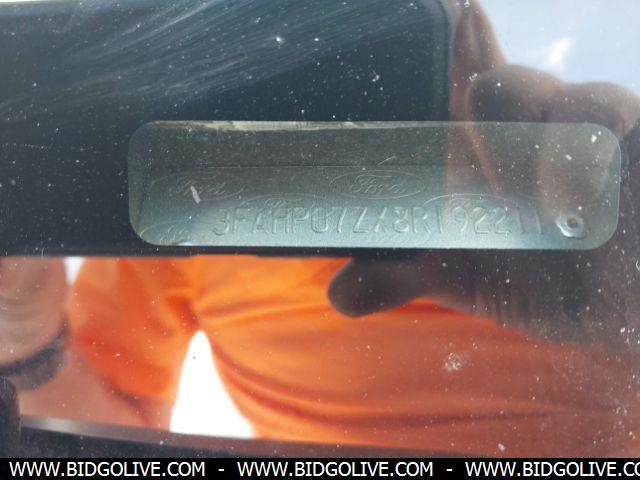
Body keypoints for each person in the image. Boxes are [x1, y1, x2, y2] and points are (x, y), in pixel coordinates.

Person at [1, 1, 640, 456]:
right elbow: (108, 438)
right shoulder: (178, 213)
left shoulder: (573, 211)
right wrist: (29, 338)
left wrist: (626, 306)